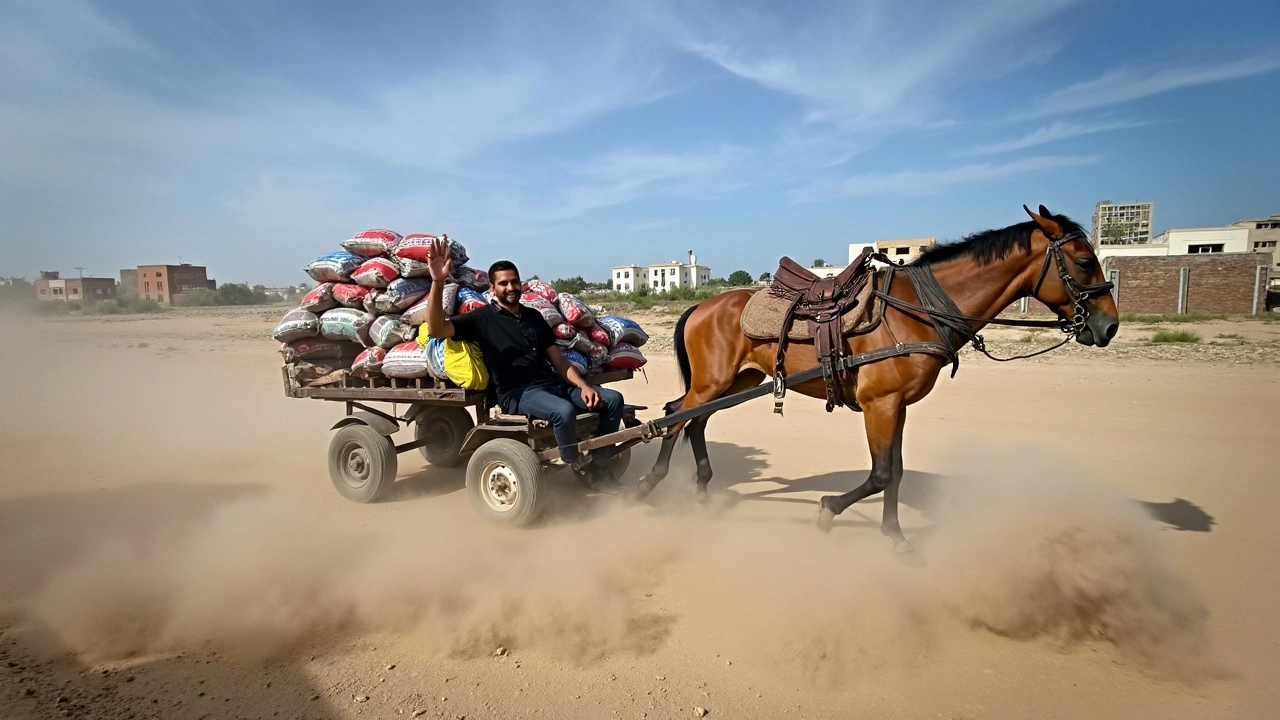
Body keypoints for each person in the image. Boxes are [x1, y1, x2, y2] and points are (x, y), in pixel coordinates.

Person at [422, 237, 625, 493]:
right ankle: (576, 463)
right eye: (503, 283)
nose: (510, 287)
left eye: (514, 281)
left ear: (521, 283)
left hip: (552, 385)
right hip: (519, 393)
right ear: (492, 288)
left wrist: (584, 385)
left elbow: (559, 361)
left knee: (613, 399)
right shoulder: (480, 319)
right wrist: (438, 282)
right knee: (563, 412)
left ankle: (600, 465)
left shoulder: (534, 317)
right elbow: (437, 328)